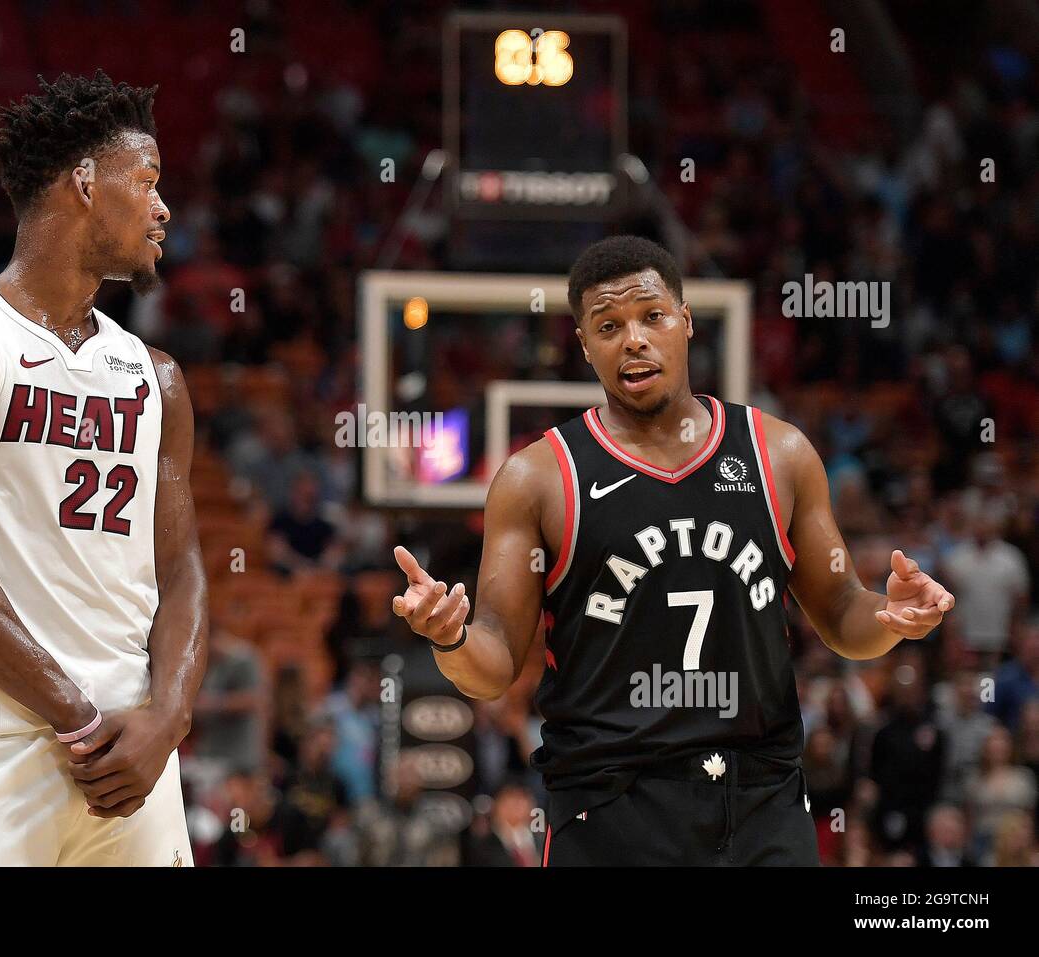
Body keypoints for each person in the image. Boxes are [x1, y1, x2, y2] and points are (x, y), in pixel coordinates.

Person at [392, 236, 956, 866]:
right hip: (610, 807)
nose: (633, 339)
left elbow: (844, 613)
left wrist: (889, 616)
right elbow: (493, 665)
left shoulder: (780, 455)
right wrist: (451, 637)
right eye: (608, 325)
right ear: (584, 344)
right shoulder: (539, 479)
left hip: (761, 800)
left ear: (686, 322)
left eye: (651, 316)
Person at [0, 71, 207, 866]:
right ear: (86, 183)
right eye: (149, 181)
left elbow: (183, 568)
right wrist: (77, 719)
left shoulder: (155, 374)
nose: (164, 209)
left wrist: (168, 716)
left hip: (135, 764)